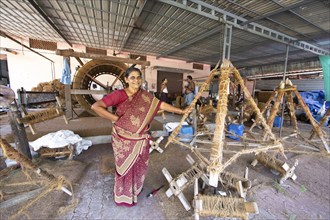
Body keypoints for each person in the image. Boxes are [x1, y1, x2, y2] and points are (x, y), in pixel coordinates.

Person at [91, 67, 187, 207]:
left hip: (141, 138)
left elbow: (160, 104)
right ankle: (123, 196)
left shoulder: (145, 96)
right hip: (123, 139)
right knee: (124, 168)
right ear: (126, 79)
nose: (136, 80)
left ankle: (134, 191)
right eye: (132, 77)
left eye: (138, 77)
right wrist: (116, 119)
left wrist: (180, 110)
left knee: (138, 166)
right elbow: (96, 106)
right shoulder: (119, 94)